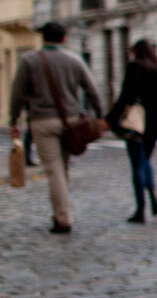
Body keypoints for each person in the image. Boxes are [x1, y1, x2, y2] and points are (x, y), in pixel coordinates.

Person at [7, 21, 104, 234]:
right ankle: (62, 211)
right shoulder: (74, 60)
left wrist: (13, 120)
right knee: (63, 167)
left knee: (54, 169)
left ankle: (63, 217)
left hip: (42, 121)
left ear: (43, 38)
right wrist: (100, 114)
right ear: (64, 39)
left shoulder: (29, 61)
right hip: (72, 121)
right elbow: (91, 89)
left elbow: (17, 94)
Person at [106, 39, 157, 224]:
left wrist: (110, 119)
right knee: (145, 162)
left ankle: (141, 209)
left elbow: (126, 96)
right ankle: (154, 198)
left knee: (138, 164)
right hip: (154, 124)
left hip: (136, 122)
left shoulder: (135, 68)